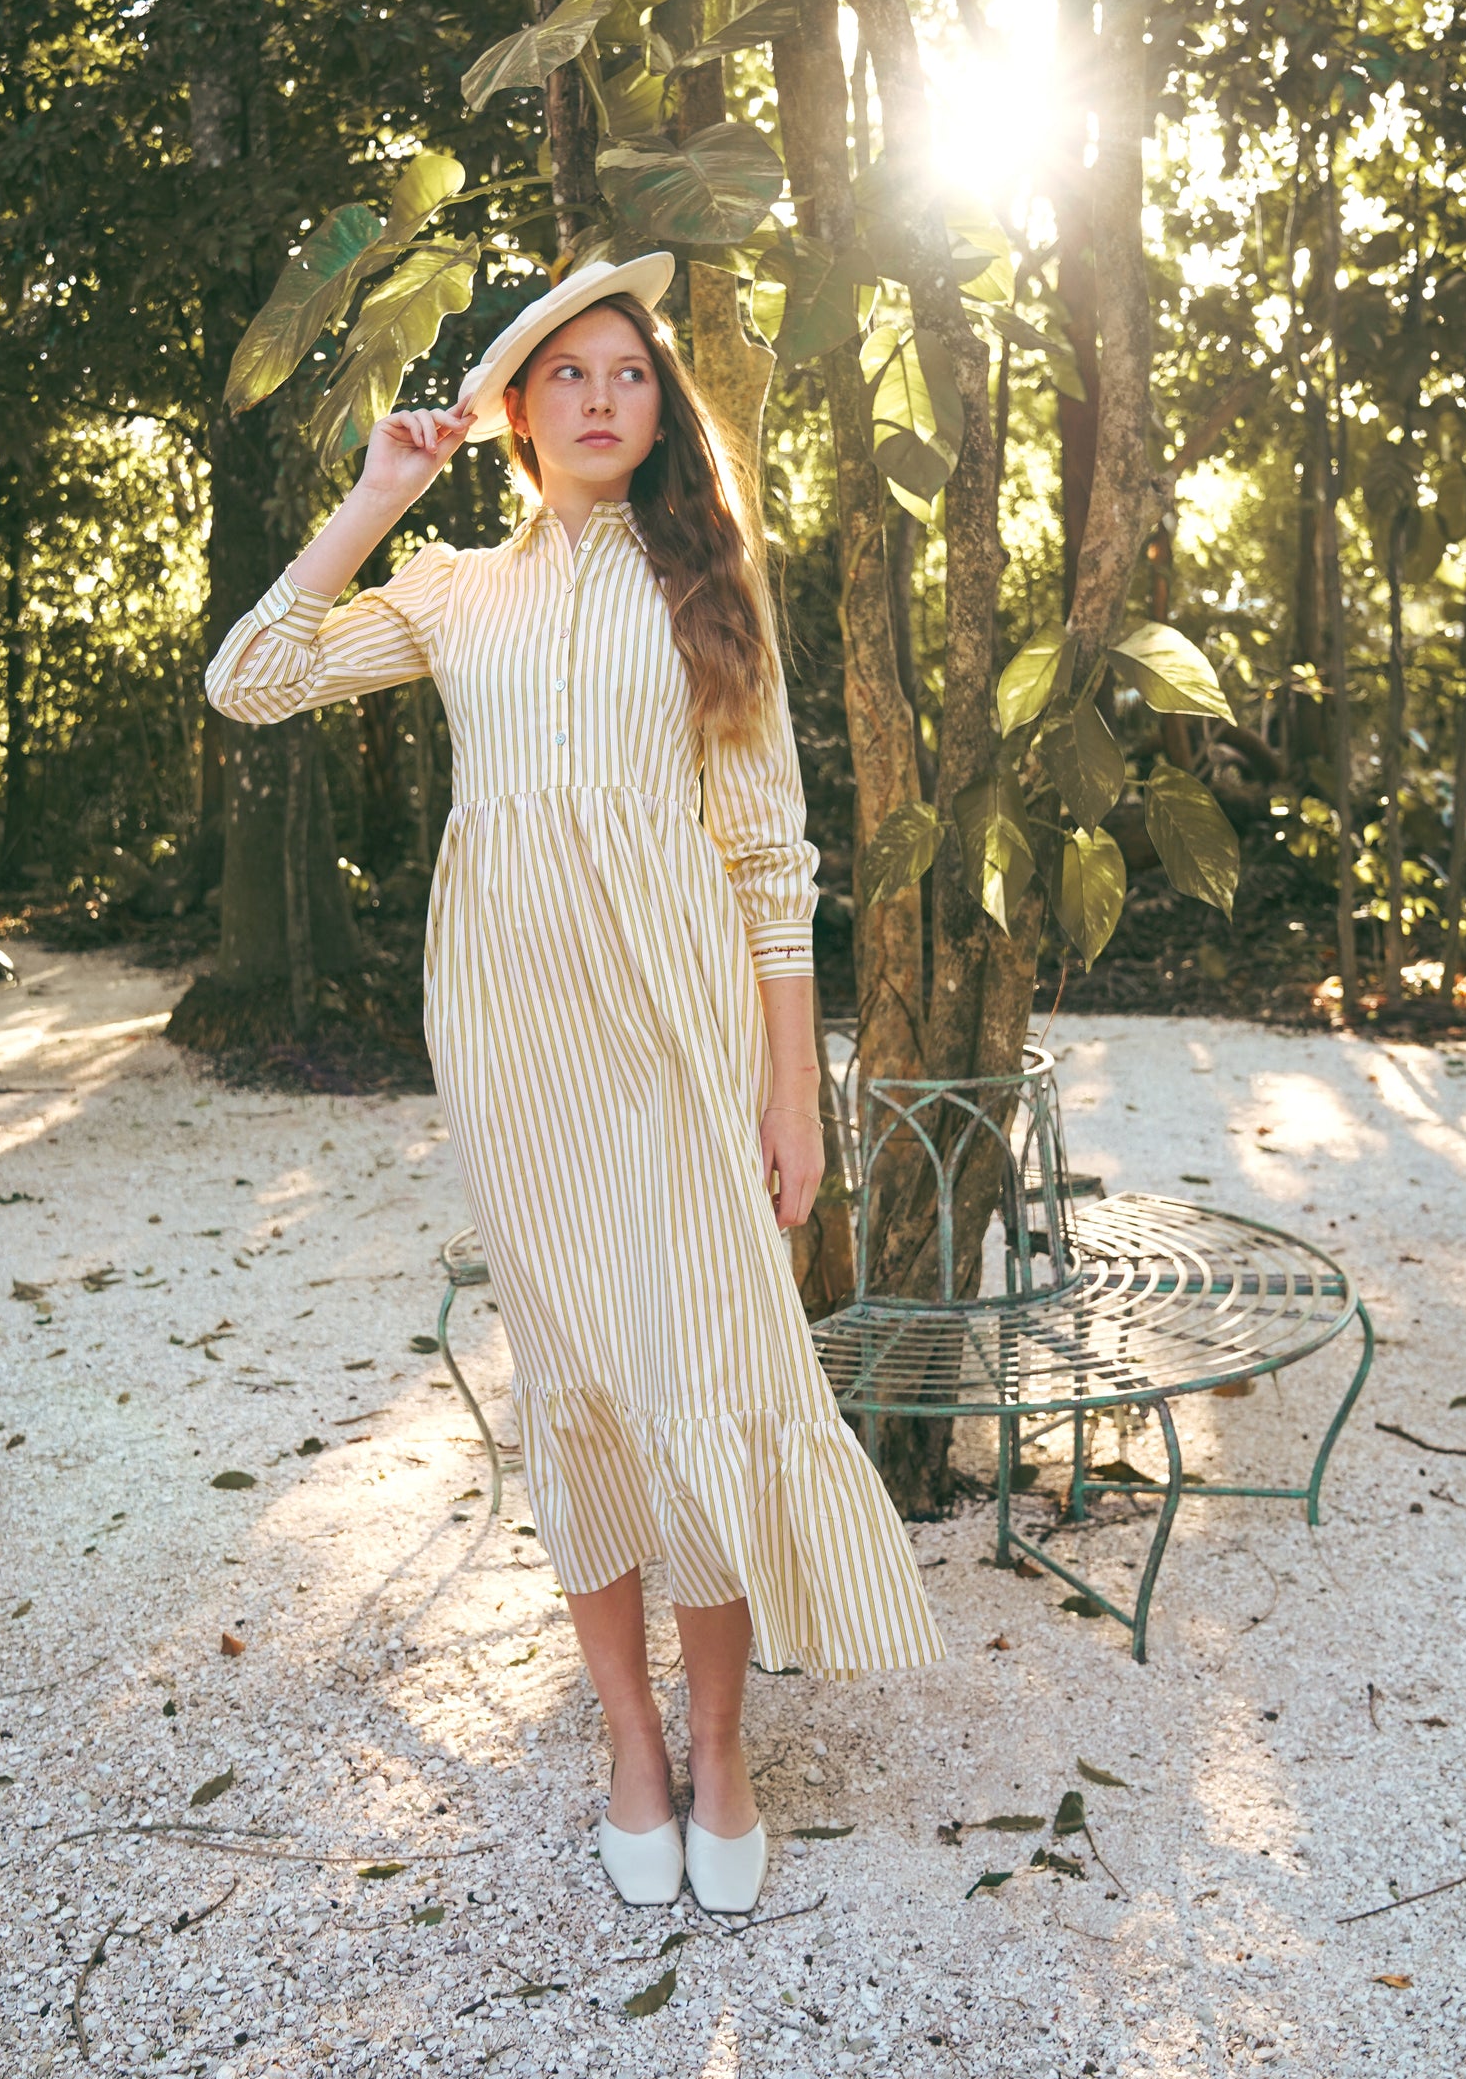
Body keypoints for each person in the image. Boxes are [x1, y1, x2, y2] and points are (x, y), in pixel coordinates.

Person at [205, 253, 943, 1914]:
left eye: (629, 373)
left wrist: (794, 1095)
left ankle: (722, 1744)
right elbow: (249, 678)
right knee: (580, 1386)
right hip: (514, 1038)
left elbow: (769, 867)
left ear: (660, 410)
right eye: (567, 375)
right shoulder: (454, 588)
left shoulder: (708, 591)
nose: (604, 397)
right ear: (516, 415)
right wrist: (380, 497)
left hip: (677, 1034)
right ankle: (629, 1741)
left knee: (698, 1372)